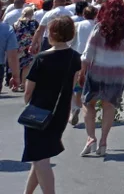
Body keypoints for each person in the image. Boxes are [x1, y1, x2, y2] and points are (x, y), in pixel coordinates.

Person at [21, 16, 81, 194]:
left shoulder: (42, 58)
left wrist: (28, 105)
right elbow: (74, 86)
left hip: (39, 110)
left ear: (53, 34)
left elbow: (28, 91)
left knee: (40, 159)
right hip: (60, 110)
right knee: (40, 156)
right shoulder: (75, 58)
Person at [80, 0, 124, 157]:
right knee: (108, 106)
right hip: (117, 72)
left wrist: (82, 72)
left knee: (88, 103)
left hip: (97, 70)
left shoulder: (99, 27)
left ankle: (90, 138)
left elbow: (88, 53)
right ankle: (103, 141)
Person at [69, 7, 98, 125]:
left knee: (75, 82)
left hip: (78, 54)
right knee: (90, 82)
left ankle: (74, 107)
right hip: (94, 56)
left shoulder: (78, 24)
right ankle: (88, 104)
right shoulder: (98, 25)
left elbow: (72, 40)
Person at [14, 7, 39, 92]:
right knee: (26, 66)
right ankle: (23, 84)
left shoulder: (16, 23)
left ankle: (15, 84)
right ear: (32, 13)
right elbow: (37, 34)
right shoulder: (34, 23)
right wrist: (38, 44)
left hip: (18, 46)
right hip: (29, 46)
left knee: (17, 65)